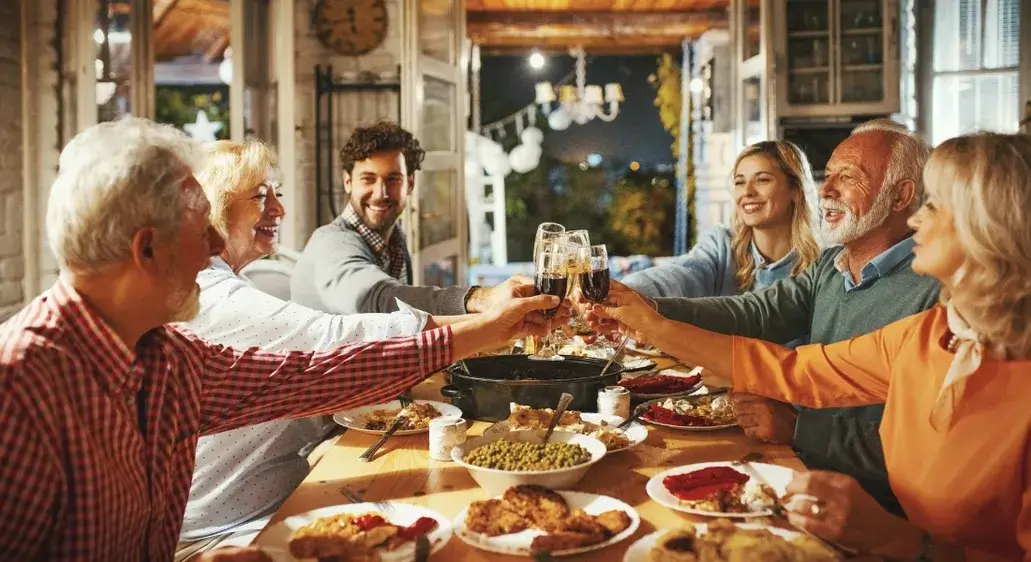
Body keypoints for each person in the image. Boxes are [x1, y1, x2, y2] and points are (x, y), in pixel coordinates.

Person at [0, 118, 559, 562]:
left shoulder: (165, 357)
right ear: (147, 250)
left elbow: (311, 376)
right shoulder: (21, 389)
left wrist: (484, 331)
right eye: (203, 232)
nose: (216, 246)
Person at [588, 131, 1031, 560]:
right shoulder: (933, 334)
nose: (918, 217)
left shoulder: (938, 312)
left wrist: (902, 542)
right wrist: (649, 318)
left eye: (934, 205)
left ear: (989, 229)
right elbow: (793, 368)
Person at [587, 119, 940, 515]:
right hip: (797, 468)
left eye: (849, 177)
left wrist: (801, 427)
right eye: (828, 175)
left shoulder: (936, 292)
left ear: (900, 196)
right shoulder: (831, 266)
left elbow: (927, 450)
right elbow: (755, 313)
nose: (826, 190)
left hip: (878, 509)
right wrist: (649, 309)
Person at [176, 140, 493, 559]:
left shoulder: (225, 284)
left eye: (277, 194)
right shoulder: (220, 297)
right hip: (231, 531)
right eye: (261, 196)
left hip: (284, 491)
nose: (279, 210)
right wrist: (491, 321)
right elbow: (347, 332)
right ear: (216, 206)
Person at [291, 121, 527, 316]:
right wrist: (478, 299)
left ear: (410, 183)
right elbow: (376, 300)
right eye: (368, 179)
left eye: (393, 179)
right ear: (348, 182)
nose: (381, 193)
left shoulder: (395, 237)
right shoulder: (332, 243)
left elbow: (401, 324)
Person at [622, 140, 820, 300]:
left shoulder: (823, 264)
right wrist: (625, 290)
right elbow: (682, 274)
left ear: (795, 190)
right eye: (740, 182)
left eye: (762, 180)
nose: (747, 192)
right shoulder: (722, 244)